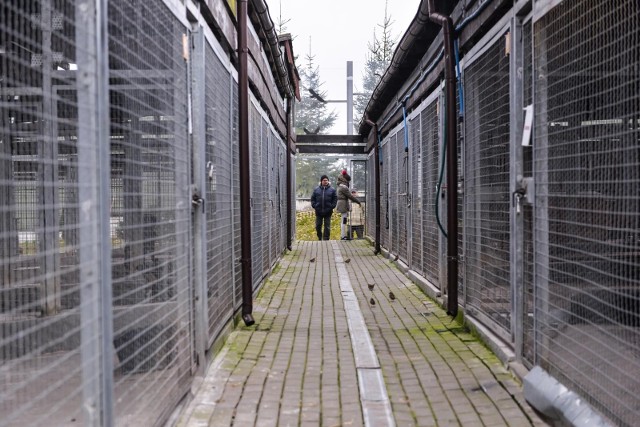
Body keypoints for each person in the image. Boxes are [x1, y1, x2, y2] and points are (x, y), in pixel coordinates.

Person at [335, 170, 361, 240]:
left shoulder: (340, 186)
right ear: (345, 180)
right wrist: (358, 201)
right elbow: (350, 196)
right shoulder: (344, 187)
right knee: (344, 220)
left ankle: (343, 235)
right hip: (343, 204)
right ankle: (343, 236)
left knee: (343, 220)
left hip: (342, 203)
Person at [310, 174, 337, 240]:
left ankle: (326, 239)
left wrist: (332, 206)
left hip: (328, 211)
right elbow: (313, 198)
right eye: (324, 180)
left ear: (328, 181)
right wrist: (314, 205)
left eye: (326, 180)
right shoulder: (316, 189)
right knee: (318, 226)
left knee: (327, 226)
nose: (325, 181)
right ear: (321, 181)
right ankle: (320, 237)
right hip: (318, 211)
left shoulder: (332, 190)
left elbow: (335, 199)